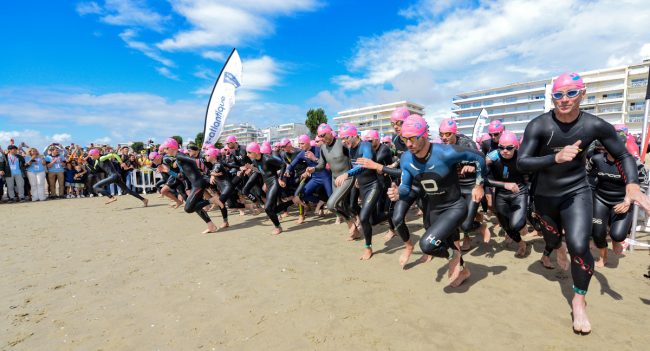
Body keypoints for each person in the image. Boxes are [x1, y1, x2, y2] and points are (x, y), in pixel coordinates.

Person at [517, 72, 650, 334]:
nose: (564, 99)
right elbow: (522, 162)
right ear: (552, 97)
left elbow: (622, 154)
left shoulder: (595, 126)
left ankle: (579, 300)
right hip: (544, 195)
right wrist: (554, 159)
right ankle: (558, 248)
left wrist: (632, 185)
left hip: (576, 192)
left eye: (571, 93)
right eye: (558, 94)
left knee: (579, 245)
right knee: (553, 242)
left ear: (582, 94)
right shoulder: (539, 125)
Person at [387, 114, 486, 285]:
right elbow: (405, 186)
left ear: (424, 135)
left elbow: (479, 158)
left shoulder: (446, 152)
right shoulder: (405, 159)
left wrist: (479, 185)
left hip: (454, 207)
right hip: (433, 209)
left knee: (427, 245)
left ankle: (454, 256)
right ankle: (463, 270)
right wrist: (399, 193)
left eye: (412, 138)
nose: (408, 144)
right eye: (404, 139)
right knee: (449, 240)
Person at [439, 118, 490, 250]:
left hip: (471, 186)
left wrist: (473, 167)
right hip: (456, 186)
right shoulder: (442, 147)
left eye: (448, 134)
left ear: (454, 133)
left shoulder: (467, 144)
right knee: (455, 218)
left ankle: (480, 226)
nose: (444, 137)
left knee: (466, 224)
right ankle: (465, 239)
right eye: (441, 134)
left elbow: (482, 163)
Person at [335, 123, 382, 260]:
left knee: (364, 216)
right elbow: (356, 165)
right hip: (362, 185)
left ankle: (368, 248)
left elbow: (364, 163)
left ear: (355, 135)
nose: (344, 141)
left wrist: (348, 174)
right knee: (372, 219)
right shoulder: (351, 149)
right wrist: (355, 177)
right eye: (342, 139)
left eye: (346, 138)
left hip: (373, 185)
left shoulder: (365, 145)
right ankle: (391, 216)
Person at [304, 123, 358, 239]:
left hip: (347, 177)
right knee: (340, 205)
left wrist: (356, 175)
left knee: (331, 204)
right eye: (320, 136)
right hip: (335, 179)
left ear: (330, 132)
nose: (322, 138)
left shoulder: (341, 143)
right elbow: (322, 165)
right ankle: (354, 230)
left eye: (324, 135)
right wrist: (314, 169)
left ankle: (351, 222)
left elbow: (354, 159)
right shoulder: (323, 147)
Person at [485, 131, 528, 257]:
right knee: (507, 226)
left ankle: (522, 222)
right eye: (501, 147)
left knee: (515, 225)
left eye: (509, 148)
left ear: (515, 147)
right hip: (501, 193)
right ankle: (521, 243)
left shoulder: (522, 156)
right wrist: (504, 185)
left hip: (519, 191)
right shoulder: (492, 157)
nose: (505, 151)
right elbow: (483, 179)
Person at [247, 142, 293, 235]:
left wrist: (280, 178)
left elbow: (283, 165)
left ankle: (278, 227)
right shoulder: (255, 161)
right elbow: (262, 171)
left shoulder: (268, 158)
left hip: (274, 183)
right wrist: (252, 168)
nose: (247, 155)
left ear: (256, 152)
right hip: (268, 184)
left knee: (268, 208)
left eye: (249, 152)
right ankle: (293, 201)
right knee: (272, 209)